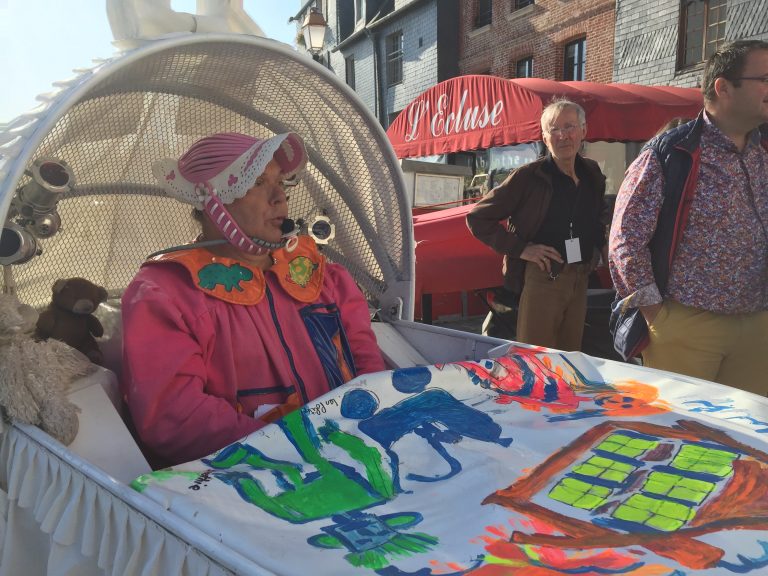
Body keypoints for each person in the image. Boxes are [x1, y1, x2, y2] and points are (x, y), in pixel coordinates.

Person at [121, 132, 385, 466]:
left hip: (360, 454)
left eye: (281, 182)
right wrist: (298, 453)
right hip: (260, 481)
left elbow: (368, 364)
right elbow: (175, 416)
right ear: (212, 200)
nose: (279, 198)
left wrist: (369, 426)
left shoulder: (323, 277)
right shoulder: (165, 296)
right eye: (258, 182)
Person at [608, 39, 768, 394]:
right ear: (723, 87)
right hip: (686, 323)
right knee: (680, 437)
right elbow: (625, 238)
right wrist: (656, 315)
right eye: (765, 78)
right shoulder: (671, 152)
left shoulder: (762, 152)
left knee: (746, 441)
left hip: (757, 323)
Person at [466, 99, 608, 351]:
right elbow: (477, 218)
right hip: (544, 277)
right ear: (544, 138)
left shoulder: (592, 173)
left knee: (570, 356)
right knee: (536, 358)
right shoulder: (528, 177)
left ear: (584, 131)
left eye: (569, 126)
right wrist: (521, 249)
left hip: (580, 275)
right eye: (554, 129)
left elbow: (598, 216)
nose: (563, 135)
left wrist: (599, 249)